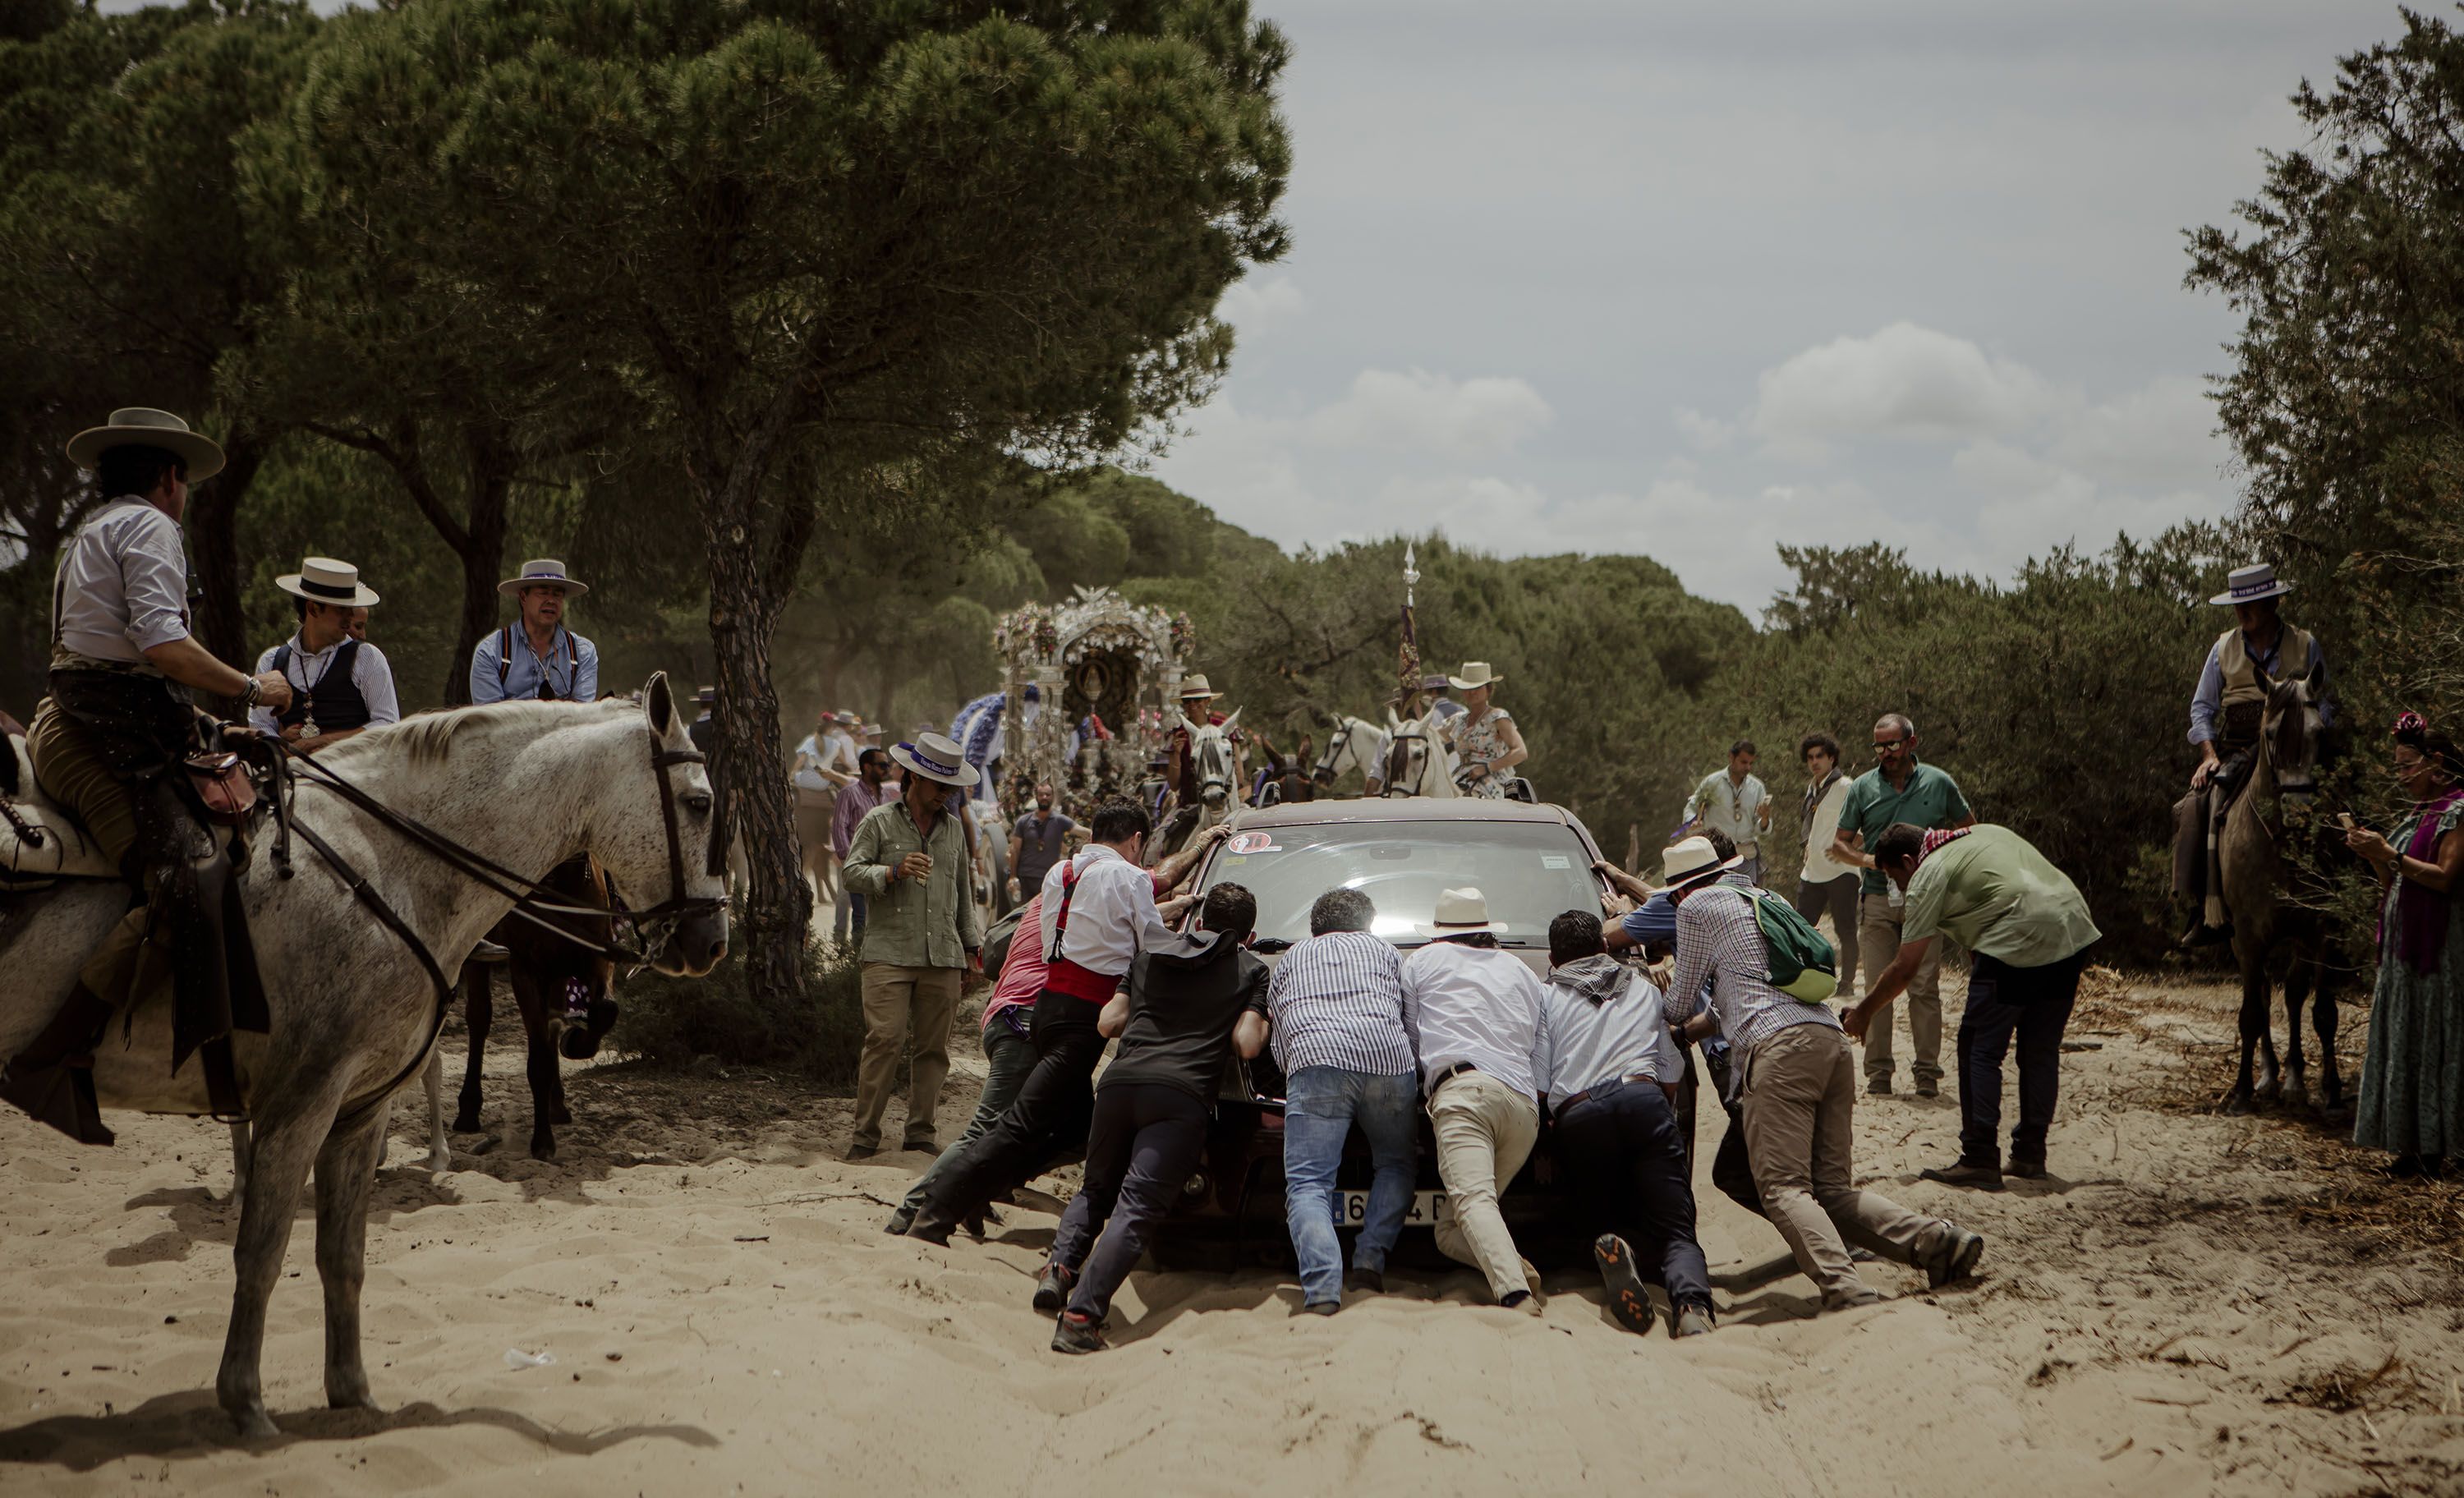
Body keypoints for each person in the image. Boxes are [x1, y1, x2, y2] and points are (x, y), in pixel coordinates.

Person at [8, 408, 294, 1142]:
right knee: (187, 879)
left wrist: (203, 723)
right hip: (98, 739)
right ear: (169, 478)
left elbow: (125, 663)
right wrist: (250, 689)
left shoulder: (93, 532)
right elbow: (162, 643)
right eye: (186, 480)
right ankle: (48, 1056)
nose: (187, 492)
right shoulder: (150, 528)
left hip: (101, 723)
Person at [1658, 835, 1981, 1309]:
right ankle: (1937, 1240)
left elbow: (1679, 1001)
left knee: (1784, 1188)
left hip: (1777, 1051)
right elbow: (1748, 991)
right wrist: (1695, 1029)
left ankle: (1845, 1288)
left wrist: (1658, 1004)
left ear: (1682, 889)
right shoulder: (1764, 897)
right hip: (1828, 1040)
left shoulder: (1696, 907)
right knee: (1830, 1189)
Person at [884, 820, 1233, 1237]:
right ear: (1133, 842)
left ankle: (978, 1192)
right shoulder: (1112, 881)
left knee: (1077, 1130)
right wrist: (1199, 846)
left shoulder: (1060, 885)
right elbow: (1150, 896)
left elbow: (1114, 922)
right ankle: (920, 1209)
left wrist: (1165, 906)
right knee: (997, 1126)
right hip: (1030, 1017)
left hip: (1022, 1014)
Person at [1045, 883, 1271, 1353]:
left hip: (1119, 1086)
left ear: (1200, 922)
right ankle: (1081, 1318)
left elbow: (1108, 1023)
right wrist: (1259, 1019)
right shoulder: (1250, 968)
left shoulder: (1148, 956)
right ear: (1248, 936)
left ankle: (1059, 1270)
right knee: (1137, 1207)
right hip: (1179, 1097)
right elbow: (1247, 1044)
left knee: (1096, 1188)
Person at [1848, 823, 2100, 1191]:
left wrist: (1863, 1012)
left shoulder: (1927, 872)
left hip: (2019, 934)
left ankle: (1980, 1157)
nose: (1898, 888)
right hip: (2072, 928)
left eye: (1894, 877)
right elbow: (1991, 900)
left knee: (1978, 1049)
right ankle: (2031, 1155)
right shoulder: (1980, 834)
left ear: (1907, 860)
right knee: (2040, 1050)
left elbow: (1905, 968)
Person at [1537, 910, 1712, 1337]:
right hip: (1642, 1099)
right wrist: (1653, 1115)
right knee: (1675, 1226)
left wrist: (1546, 1143)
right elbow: (1671, 1073)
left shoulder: (1545, 998)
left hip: (1580, 1117)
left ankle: (1622, 1249)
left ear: (1555, 960)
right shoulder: (1644, 989)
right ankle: (1692, 1308)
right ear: (1604, 946)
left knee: (1598, 1217)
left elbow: (1540, 1085)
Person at [1262, 887, 1421, 1314]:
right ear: (1367, 924)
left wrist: (1297, 1066)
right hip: (1388, 1059)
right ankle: (1370, 1260)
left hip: (1316, 1063)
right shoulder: (1386, 952)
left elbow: (1280, 1033)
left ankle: (1323, 1292)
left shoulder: (1290, 958)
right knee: (1396, 1164)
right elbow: (1407, 1018)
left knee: (1309, 1184)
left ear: (1314, 926)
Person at [1400, 887, 1548, 1312]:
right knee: (1451, 1230)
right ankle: (1517, 1270)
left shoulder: (1422, 962)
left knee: (1475, 1202)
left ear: (1438, 934)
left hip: (1464, 1092)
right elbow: (1539, 1045)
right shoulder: (1521, 970)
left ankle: (1517, 1296)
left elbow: (1412, 1036)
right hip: (1523, 1106)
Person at [839, 733, 983, 1160]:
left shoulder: (954, 829)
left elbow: (963, 892)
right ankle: (865, 1136)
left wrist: (971, 950)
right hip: (888, 953)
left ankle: (921, 1132)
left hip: (941, 954)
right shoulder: (880, 821)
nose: (946, 796)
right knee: (884, 1039)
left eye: (951, 788)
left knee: (934, 1049)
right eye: (940, 786)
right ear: (913, 778)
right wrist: (892, 872)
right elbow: (851, 874)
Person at [2177, 563, 2335, 946]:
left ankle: (2342, 905)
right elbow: (2202, 708)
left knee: (2340, 801)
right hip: (2238, 745)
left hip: (2298, 743)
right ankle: (2205, 906)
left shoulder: (2305, 643)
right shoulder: (2222, 648)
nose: (2242, 613)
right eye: (2239, 605)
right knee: (2195, 806)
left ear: (2273, 603)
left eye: (2252, 604)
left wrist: (2309, 730)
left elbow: (2327, 701)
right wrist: (2209, 755)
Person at [2345, 713, 2464, 1179]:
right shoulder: (2419, 813)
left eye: (2406, 765)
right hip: (2402, 953)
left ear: (2436, 763)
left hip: (2439, 954)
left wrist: (2390, 854)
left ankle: (2442, 1147)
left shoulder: (2457, 811)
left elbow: (2445, 878)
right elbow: (2393, 878)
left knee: (2438, 1040)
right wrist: (2374, 855)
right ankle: (2413, 1147)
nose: (2400, 775)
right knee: (2407, 1041)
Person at [1830, 714, 1974, 1096]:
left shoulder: (1939, 782)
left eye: (1892, 745)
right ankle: (1878, 1074)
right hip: (1877, 895)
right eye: (1879, 746)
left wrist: (1941, 860)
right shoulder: (1862, 787)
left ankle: (1927, 1074)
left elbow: (1969, 830)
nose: (1885, 753)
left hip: (1926, 897)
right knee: (1879, 985)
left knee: (1924, 985)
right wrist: (1869, 861)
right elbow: (1840, 844)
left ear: (1912, 742)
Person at [251, 557, 397, 755]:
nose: (349, 619)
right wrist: (279, 745)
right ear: (313, 609)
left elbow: (387, 725)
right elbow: (260, 724)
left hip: (351, 779)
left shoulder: (367, 658)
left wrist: (321, 742)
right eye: (341, 610)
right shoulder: (271, 661)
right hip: (290, 777)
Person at [469, 558, 599, 704]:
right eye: (543, 592)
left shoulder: (583, 653)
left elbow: (583, 717)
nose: (551, 600)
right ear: (523, 597)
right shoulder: (491, 652)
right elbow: (490, 721)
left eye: (557, 594)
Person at [1793, 733, 1861, 994]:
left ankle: (1847, 983)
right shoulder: (1812, 788)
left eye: (1820, 756)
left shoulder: (1846, 785)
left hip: (1841, 870)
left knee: (1846, 928)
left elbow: (1865, 817)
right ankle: (1804, 976)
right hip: (1812, 870)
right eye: (1810, 757)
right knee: (1800, 926)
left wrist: (1853, 847)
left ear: (1832, 757)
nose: (1815, 761)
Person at [793, 709, 857, 905]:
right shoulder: (836, 744)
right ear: (832, 727)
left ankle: (805, 884)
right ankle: (801, 882)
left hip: (802, 786)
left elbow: (799, 764)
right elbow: (849, 764)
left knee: (807, 846)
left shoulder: (809, 740)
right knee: (817, 845)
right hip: (823, 787)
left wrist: (790, 778)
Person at [830, 747, 894, 941]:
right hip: (859, 864)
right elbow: (839, 827)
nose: (887, 769)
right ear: (867, 767)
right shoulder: (849, 794)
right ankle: (855, 963)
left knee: (877, 916)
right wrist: (848, 858)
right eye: (882, 765)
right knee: (860, 916)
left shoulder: (884, 796)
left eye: (888, 765)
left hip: (880, 866)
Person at [1686, 739, 1772, 884]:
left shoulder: (1757, 787)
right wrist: (1692, 821)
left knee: (1748, 902)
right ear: (1731, 758)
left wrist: (1765, 819)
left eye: (1751, 763)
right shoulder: (1712, 783)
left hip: (1746, 857)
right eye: (1744, 762)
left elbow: (1759, 827)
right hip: (1717, 858)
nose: (1748, 767)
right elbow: (1692, 806)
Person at [1441, 662, 1525, 800]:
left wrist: (1487, 768)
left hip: (1492, 779)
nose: (1472, 692)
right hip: (1461, 778)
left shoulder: (1498, 717)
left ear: (1488, 690)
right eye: (1467, 688)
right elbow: (1431, 734)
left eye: (1477, 688)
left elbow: (1520, 752)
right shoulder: (1459, 721)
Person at [1008, 783, 1073, 917]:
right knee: (1025, 916)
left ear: (1052, 797)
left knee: (1046, 916)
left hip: (1049, 880)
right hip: (1026, 878)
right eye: (1041, 794)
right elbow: (1015, 850)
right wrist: (1013, 877)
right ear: (1036, 797)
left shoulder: (1060, 821)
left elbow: (1079, 830)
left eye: (1048, 795)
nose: (1044, 797)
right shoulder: (1023, 821)